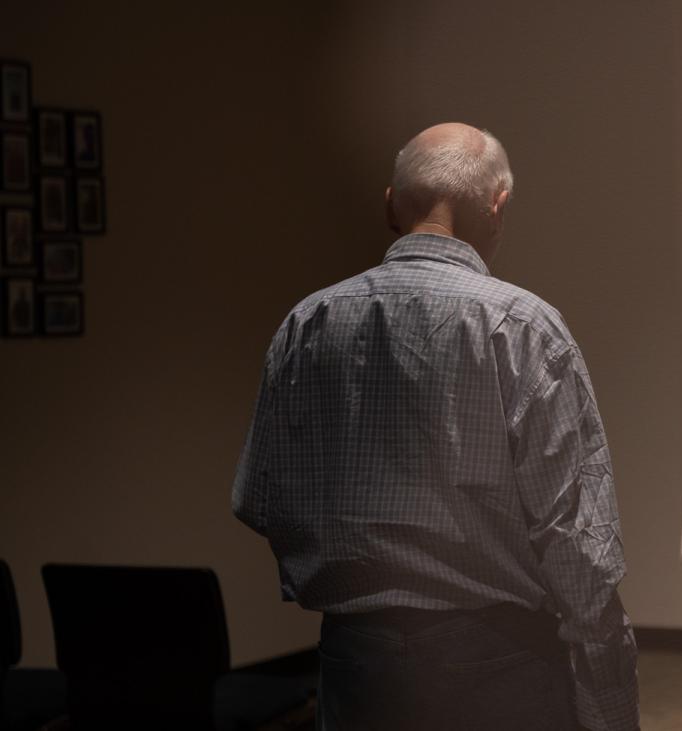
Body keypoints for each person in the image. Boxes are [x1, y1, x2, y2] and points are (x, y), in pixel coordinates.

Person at [233, 122, 638, 731]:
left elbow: (259, 501)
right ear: (498, 209)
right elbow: (578, 540)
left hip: (354, 659)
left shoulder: (307, 324)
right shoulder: (523, 327)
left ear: (390, 206)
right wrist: (606, 681)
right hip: (499, 662)